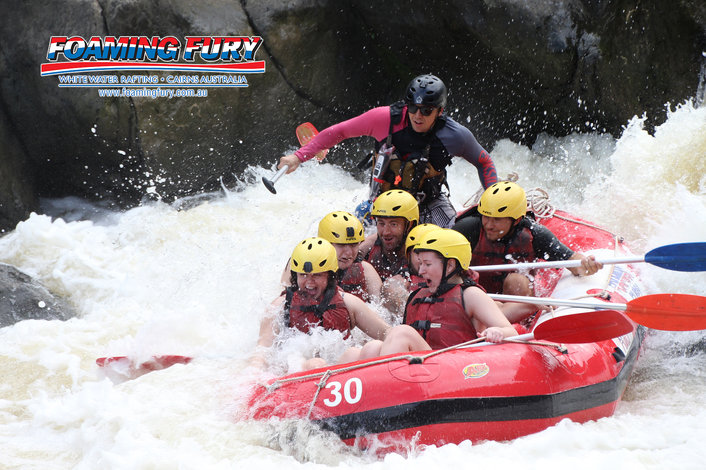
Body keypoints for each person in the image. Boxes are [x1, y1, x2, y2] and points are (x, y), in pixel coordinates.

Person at [276, 74, 498, 228]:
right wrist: (298, 156)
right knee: (346, 242)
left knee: (455, 239)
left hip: (428, 205)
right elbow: (340, 131)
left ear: (439, 111)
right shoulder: (384, 119)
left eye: (426, 110)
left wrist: (494, 201)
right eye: (413, 107)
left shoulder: (455, 136)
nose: (417, 115)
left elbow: (484, 162)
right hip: (380, 203)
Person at [452, 181, 603, 322]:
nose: (489, 225)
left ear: (516, 220)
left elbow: (573, 261)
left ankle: (519, 326)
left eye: (497, 219)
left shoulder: (534, 234)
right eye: (486, 216)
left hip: (512, 304)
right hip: (473, 294)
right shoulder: (467, 228)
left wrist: (586, 265)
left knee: (516, 281)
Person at [357, 228, 516, 359]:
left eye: (427, 264)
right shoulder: (417, 296)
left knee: (402, 333)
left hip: (456, 368)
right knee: (372, 348)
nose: (421, 271)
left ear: (450, 265)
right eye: (420, 264)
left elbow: (510, 331)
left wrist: (498, 332)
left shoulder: (470, 295)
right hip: (425, 368)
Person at [256, 237, 390, 370]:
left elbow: (386, 332)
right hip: (294, 370)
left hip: (339, 369)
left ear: (330, 276)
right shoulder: (280, 306)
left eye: (317, 275)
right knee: (314, 364)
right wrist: (254, 373)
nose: (309, 282)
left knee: (370, 348)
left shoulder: (348, 303)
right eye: (303, 275)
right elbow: (261, 353)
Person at [317, 210, 382, 302]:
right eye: (341, 245)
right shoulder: (304, 268)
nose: (348, 253)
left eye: (354, 245)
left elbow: (381, 307)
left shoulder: (365, 270)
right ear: (325, 244)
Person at [381, 222, 439, 316]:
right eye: (418, 253)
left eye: (431, 253)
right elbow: (392, 291)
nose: (424, 259)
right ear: (409, 255)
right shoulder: (398, 283)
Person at [359, 189, 419, 281]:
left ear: (409, 225)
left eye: (393, 224)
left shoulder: (419, 256)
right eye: (381, 223)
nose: (386, 232)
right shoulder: (368, 247)